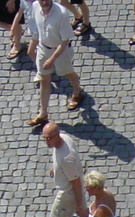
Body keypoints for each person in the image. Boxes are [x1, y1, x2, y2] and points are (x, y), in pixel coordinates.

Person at [27, 0, 84, 129]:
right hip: (43, 48)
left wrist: (52, 59)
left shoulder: (61, 14)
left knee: (68, 73)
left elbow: (65, 41)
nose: (44, 1)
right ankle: (43, 114)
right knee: (44, 79)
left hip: (60, 51)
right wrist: (32, 47)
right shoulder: (36, 6)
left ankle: (77, 93)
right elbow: (37, 30)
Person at [40, 124, 88, 217]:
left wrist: (78, 202)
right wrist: (56, 168)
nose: (46, 141)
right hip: (73, 184)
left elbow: (75, 182)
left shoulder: (66, 159)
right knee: (84, 213)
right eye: (44, 138)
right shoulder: (65, 139)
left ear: (57, 135)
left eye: (49, 138)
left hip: (68, 192)